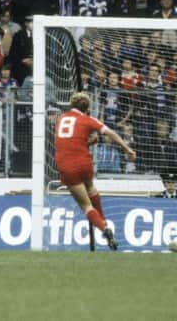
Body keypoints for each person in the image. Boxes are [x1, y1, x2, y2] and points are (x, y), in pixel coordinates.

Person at [54, 92, 136, 251]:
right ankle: (103, 221)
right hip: (84, 163)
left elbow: (67, 142)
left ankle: (104, 229)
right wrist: (128, 149)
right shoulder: (88, 119)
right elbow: (110, 133)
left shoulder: (60, 119)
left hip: (66, 165)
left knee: (86, 206)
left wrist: (87, 141)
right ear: (87, 108)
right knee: (91, 188)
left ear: (72, 105)